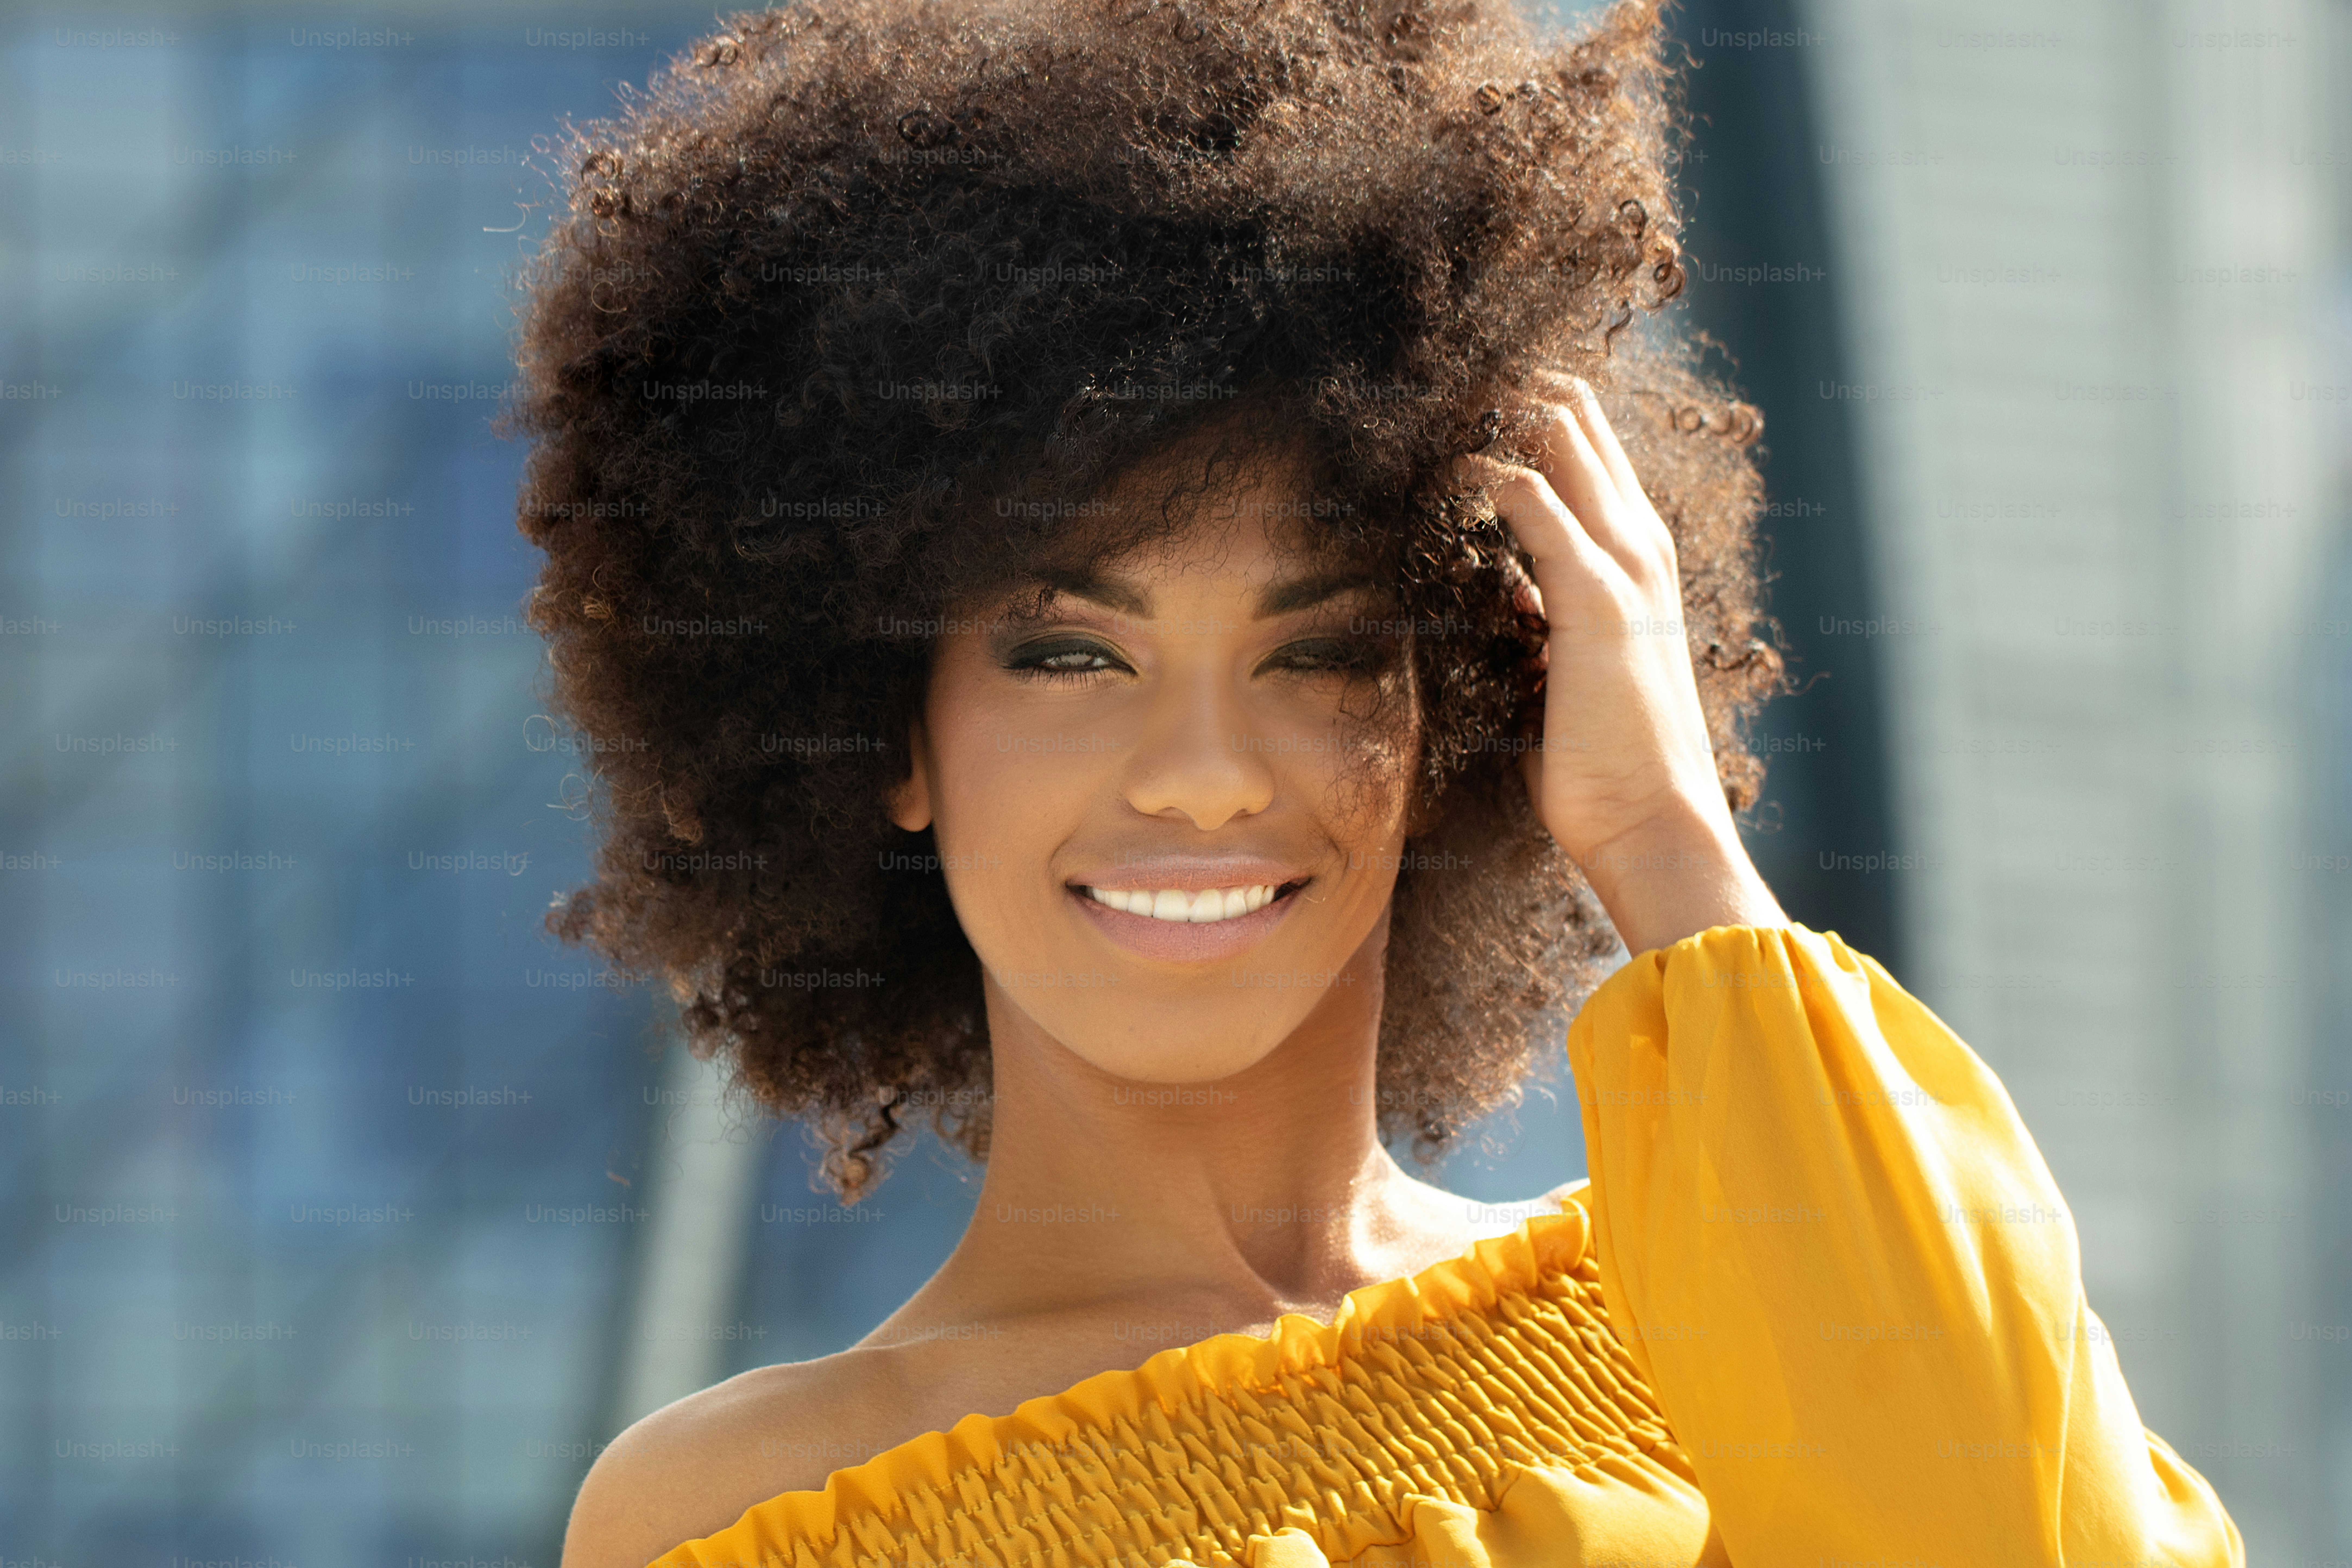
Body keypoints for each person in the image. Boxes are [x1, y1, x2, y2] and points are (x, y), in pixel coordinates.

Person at [505, 0, 2245, 1562]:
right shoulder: (761, 1513)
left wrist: (1662, 839)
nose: (1199, 779)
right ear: (884, 735)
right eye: (1068, 655)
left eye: (1321, 650)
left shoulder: (1721, 1314)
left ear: (1472, 712)